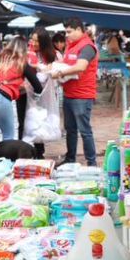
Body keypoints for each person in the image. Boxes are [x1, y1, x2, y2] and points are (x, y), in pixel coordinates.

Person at [52, 17, 99, 165]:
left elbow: (80, 67)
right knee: (70, 129)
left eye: (69, 32)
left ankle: (91, 163)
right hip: (69, 94)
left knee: (84, 131)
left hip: (82, 96)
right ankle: (70, 159)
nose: (66, 35)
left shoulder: (87, 47)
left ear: (79, 29)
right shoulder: (71, 46)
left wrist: (60, 73)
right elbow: (68, 63)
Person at [22, 29, 61, 158]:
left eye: (36, 41)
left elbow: (58, 71)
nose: (33, 43)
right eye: (32, 40)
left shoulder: (54, 55)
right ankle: (32, 150)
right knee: (30, 119)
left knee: (43, 119)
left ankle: (40, 150)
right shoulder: (28, 53)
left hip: (47, 93)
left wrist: (46, 68)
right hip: (29, 92)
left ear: (44, 42)